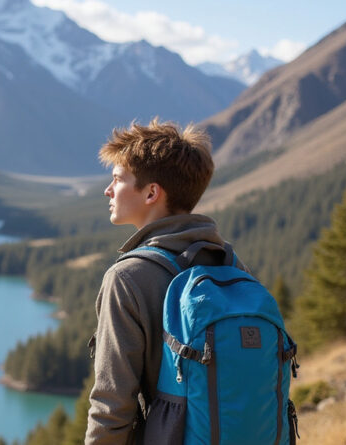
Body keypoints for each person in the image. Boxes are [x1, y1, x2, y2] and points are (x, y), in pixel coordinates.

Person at [85, 118, 248, 444]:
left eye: (117, 179)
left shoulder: (127, 278)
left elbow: (112, 405)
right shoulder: (230, 264)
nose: (108, 189)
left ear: (151, 193)